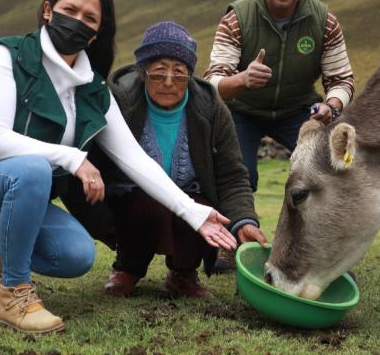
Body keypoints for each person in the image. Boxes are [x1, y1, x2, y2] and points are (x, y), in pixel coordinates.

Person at [0, 0, 236, 335]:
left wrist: (193, 211)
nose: (77, 22)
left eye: (90, 18)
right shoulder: (3, 56)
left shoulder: (93, 89)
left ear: (97, 32)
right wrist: (73, 158)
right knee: (33, 169)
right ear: (47, 11)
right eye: (69, 9)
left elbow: (134, 159)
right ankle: (14, 295)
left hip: (18, 206)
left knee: (75, 254)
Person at [64, 21, 268, 298]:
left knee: (202, 209)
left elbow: (232, 173)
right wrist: (104, 223)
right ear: (142, 72)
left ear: (190, 75)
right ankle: (128, 268)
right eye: (159, 73)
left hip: (191, 194)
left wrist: (245, 221)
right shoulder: (119, 101)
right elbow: (89, 163)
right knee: (149, 206)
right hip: (131, 200)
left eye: (180, 74)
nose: (169, 82)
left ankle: (183, 274)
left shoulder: (210, 107)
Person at [204, 0, 354, 270]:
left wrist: (331, 105)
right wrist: (242, 79)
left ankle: (321, 252)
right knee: (236, 172)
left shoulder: (325, 21)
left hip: (299, 109)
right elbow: (213, 82)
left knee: (325, 171)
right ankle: (230, 244)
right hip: (241, 110)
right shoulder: (237, 18)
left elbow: (342, 80)